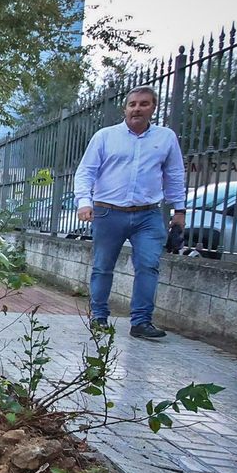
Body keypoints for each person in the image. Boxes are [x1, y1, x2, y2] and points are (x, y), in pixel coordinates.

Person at [73, 86, 186, 339]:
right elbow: (86, 171)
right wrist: (84, 201)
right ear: (125, 108)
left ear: (153, 107)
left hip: (148, 214)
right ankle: (99, 316)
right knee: (103, 266)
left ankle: (141, 322)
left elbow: (175, 175)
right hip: (108, 212)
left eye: (143, 104)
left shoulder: (166, 138)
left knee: (149, 265)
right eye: (132, 104)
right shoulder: (105, 136)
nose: (137, 108)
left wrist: (179, 210)